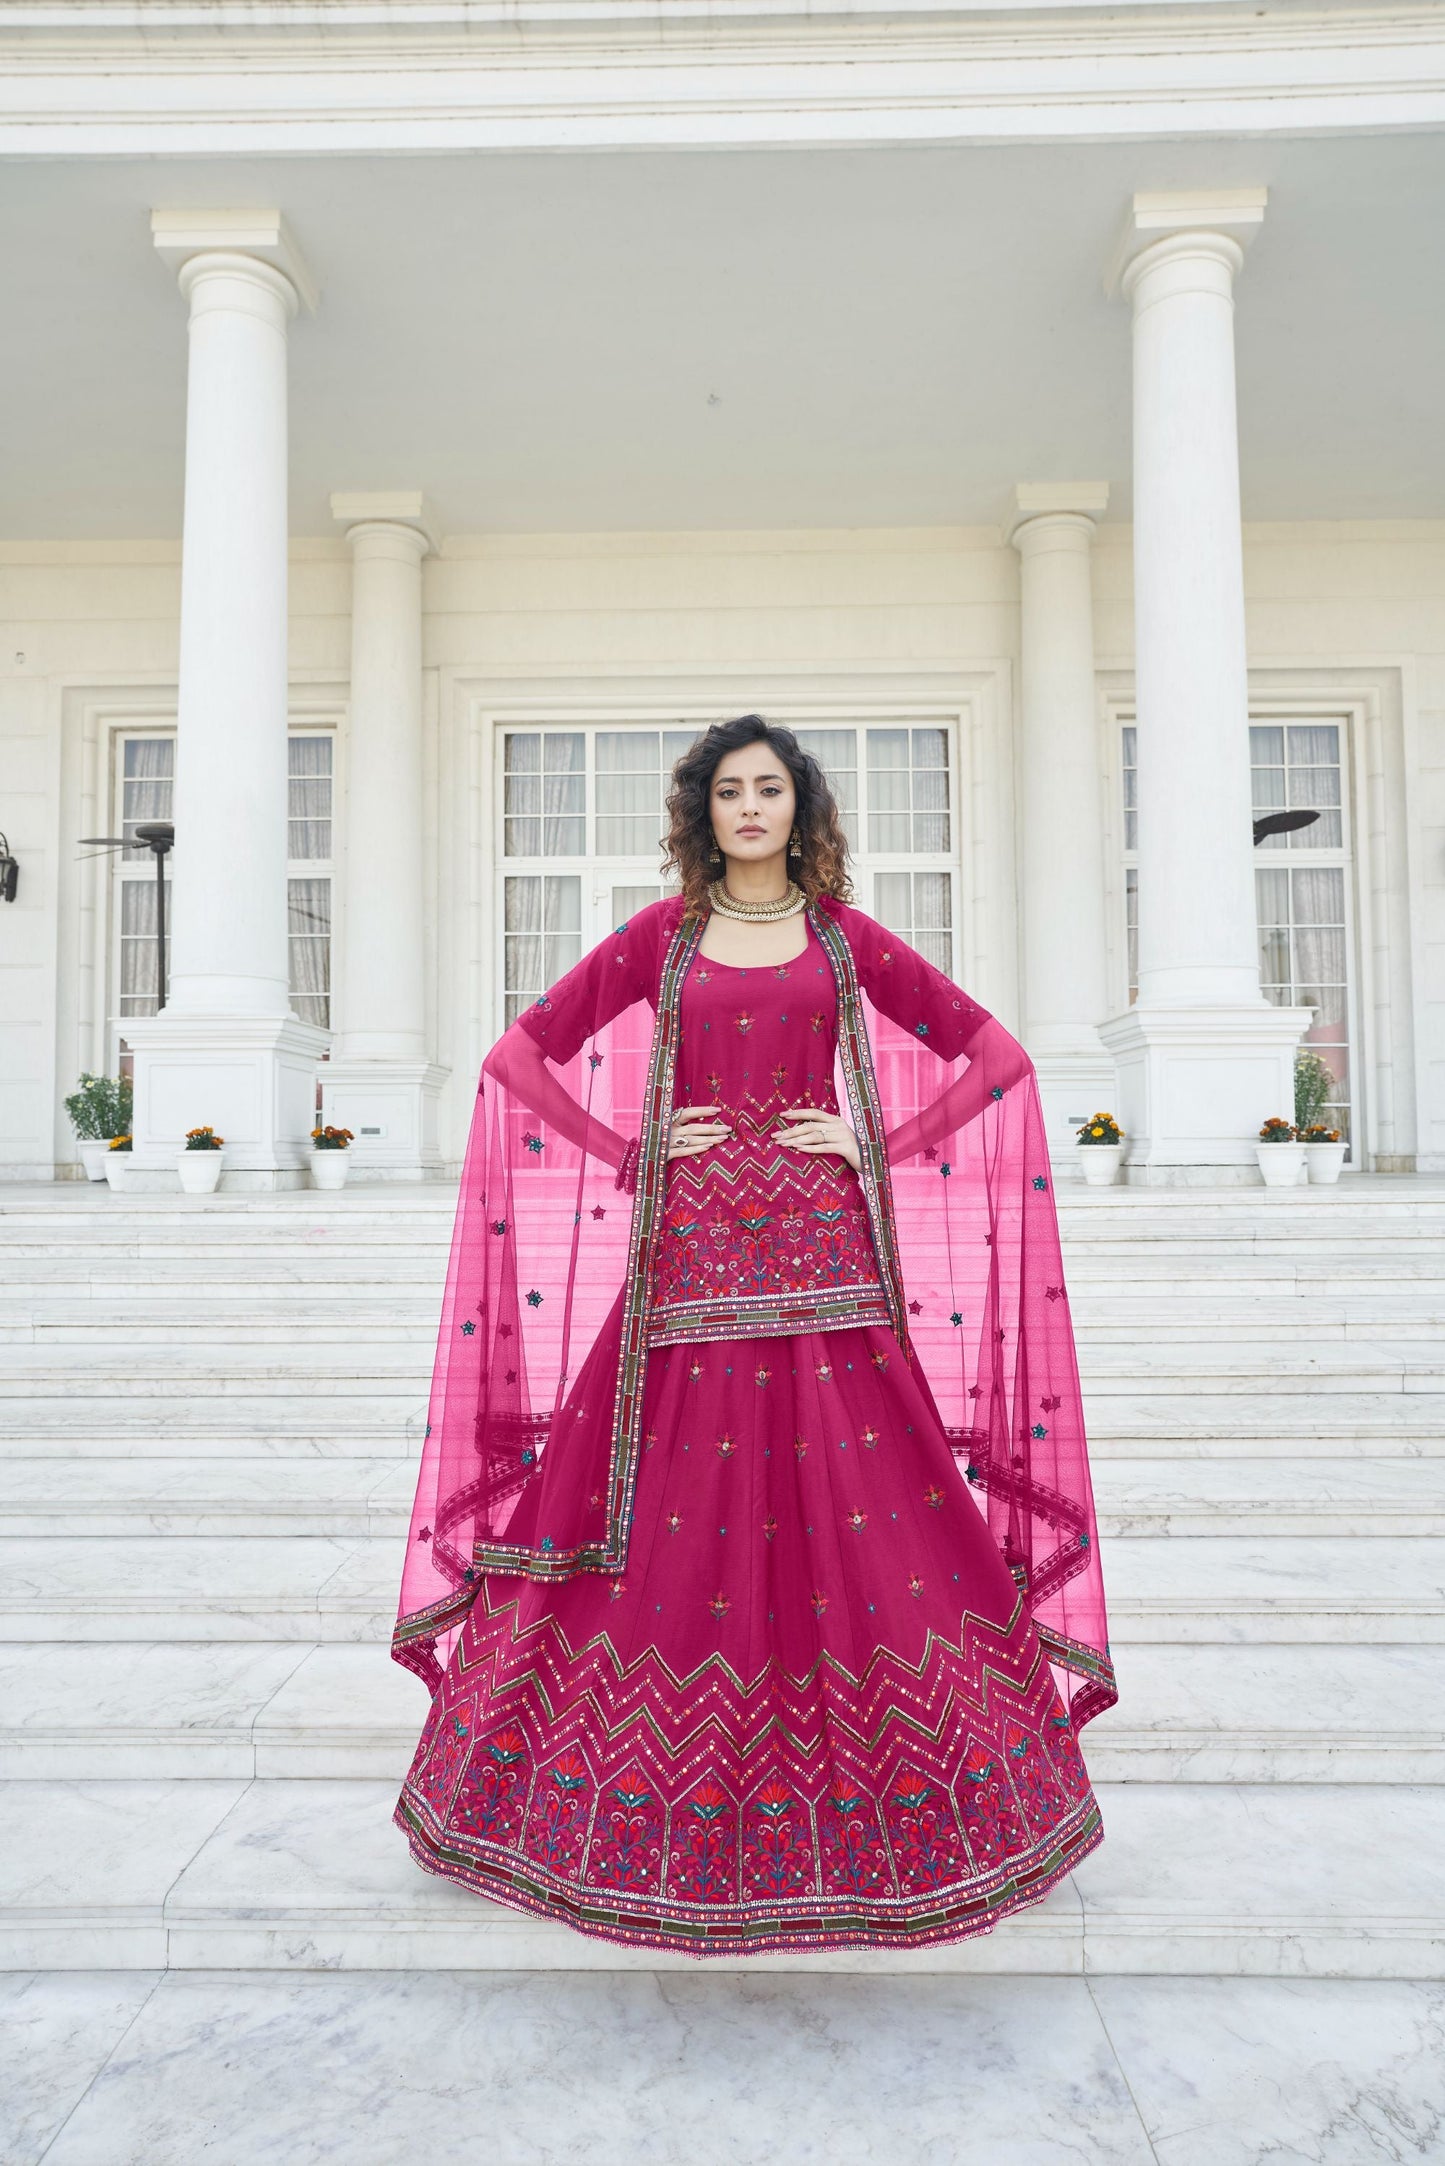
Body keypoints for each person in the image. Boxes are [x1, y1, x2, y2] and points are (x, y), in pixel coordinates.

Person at [392, 715, 1115, 1957]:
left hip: (825, 1264)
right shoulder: (661, 937)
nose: (746, 809)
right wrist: (630, 1148)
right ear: (700, 812)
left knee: (867, 1506)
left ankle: (931, 1813)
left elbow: (994, 1055)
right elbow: (518, 1056)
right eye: (726, 791)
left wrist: (872, 1143)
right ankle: (573, 1811)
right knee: (654, 1505)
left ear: (799, 808)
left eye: (767, 789)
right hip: (685, 1262)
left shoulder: (841, 940)